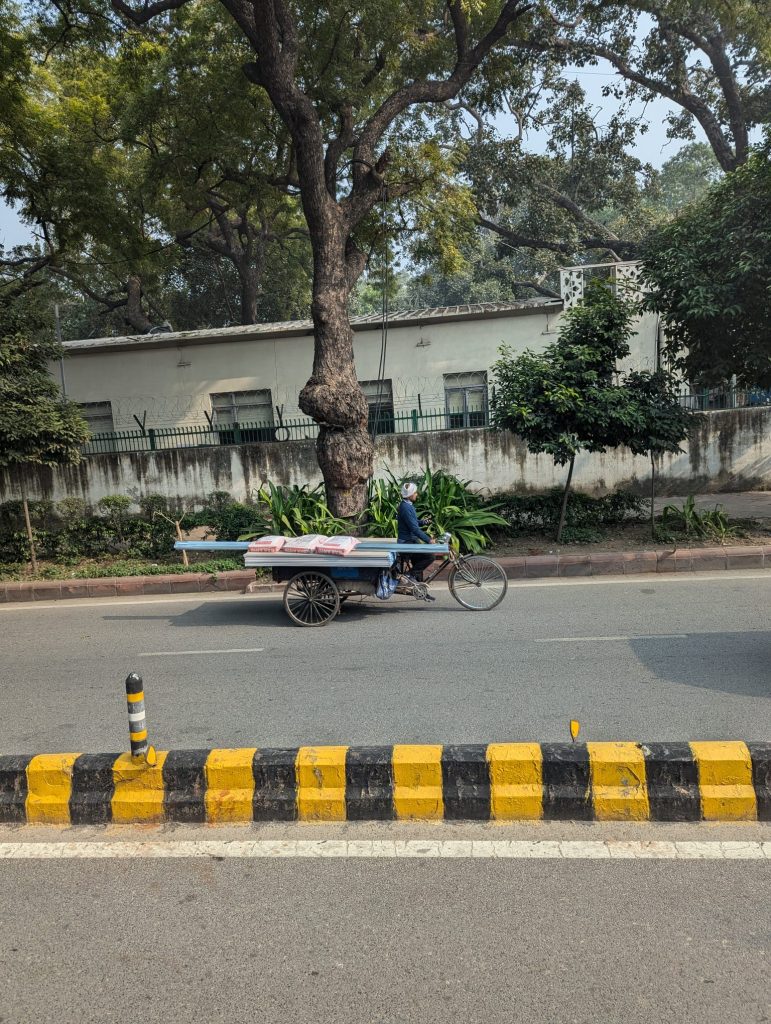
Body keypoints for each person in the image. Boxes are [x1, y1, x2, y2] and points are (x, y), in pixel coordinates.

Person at [397, 482, 435, 584]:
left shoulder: (407, 505)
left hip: (410, 540)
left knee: (420, 560)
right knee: (430, 557)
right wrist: (429, 540)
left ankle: (417, 584)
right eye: (415, 493)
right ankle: (408, 575)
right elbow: (414, 529)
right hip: (407, 542)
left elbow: (411, 522)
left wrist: (423, 522)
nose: (416, 494)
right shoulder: (406, 508)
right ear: (410, 495)